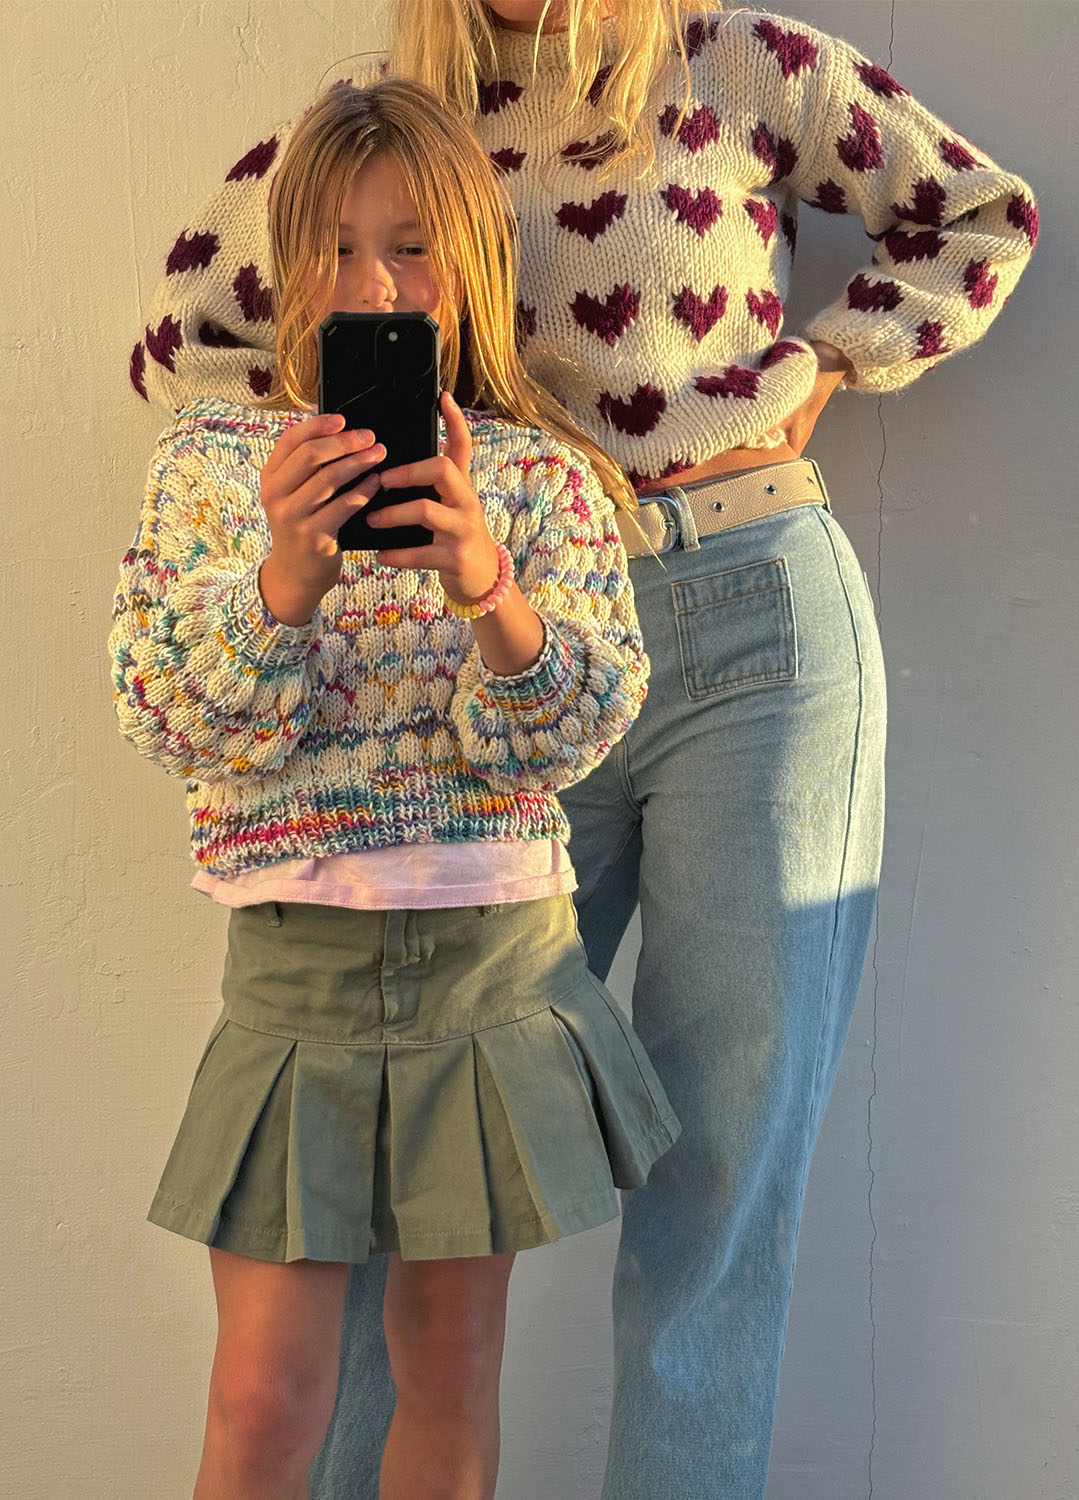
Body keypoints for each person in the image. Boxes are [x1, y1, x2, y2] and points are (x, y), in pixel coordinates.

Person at [129, 4, 1039, 1496]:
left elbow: (983, 215)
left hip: (749, 611)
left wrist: (818, 371)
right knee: (380, 1175)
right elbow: (188, 335)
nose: (378, 275)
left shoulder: (742, 61)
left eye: (404, 255)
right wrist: (302, 491)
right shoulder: (402, 111)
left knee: (722, 1173)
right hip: (480, 648)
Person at [110, 74, 682, 1500]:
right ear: (284, 262)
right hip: (295, 971)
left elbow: (567, 738)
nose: (372, 283)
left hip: (490, 959)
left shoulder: (541, 480)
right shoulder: (212, 466)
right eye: (337, 244)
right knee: (263, 1395)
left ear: (472, 264)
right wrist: (283, 582)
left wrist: (489, 586)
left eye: (413, 246)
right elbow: (170, 715)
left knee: (450, 1365)